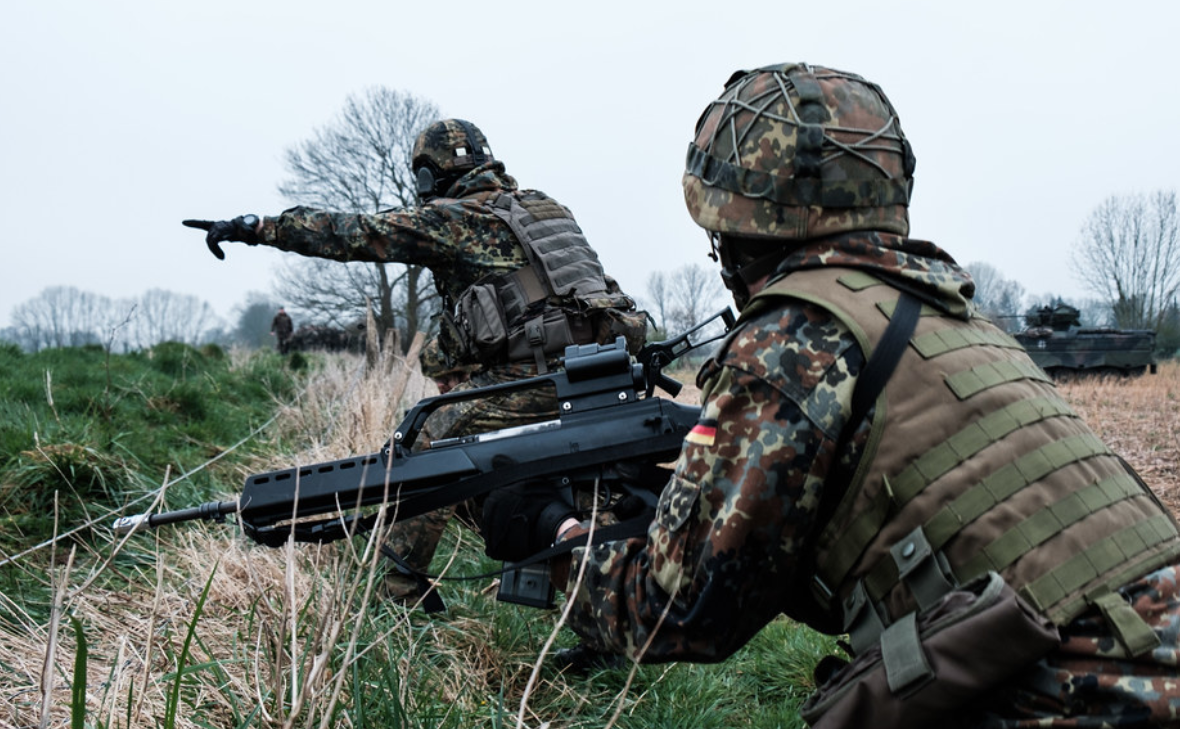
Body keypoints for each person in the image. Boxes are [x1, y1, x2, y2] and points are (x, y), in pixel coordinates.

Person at [481, 64, 1180, 726]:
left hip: (1088, 695)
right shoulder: (959, 316)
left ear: (733, 231)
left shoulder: (791, 337)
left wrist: (556, 534)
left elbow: (674, 611)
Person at [187, 118, 646, 604]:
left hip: (537, 377)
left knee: (427, 447)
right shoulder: (543, 208)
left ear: (430, 175)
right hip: (605, 371)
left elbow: (355, 233)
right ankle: (602, 580)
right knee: (566, 477)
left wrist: (262, 229)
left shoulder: (456, 219)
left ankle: (399, 587)